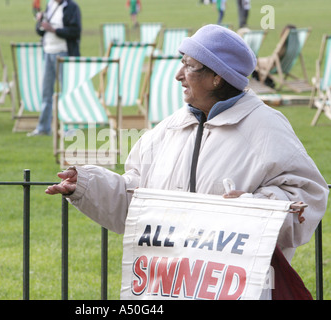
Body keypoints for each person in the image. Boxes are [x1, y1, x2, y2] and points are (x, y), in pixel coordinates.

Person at [45, 25, 329, 299]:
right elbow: (137, 202)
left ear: (217, 77)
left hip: (236, 290)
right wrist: (86, 185)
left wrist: (253, 207)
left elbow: (306, 196)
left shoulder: (266, 128)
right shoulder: (167, 130)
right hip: (169, 287)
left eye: (189, 66)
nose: (178, 75)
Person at [28, 0, 81, 137]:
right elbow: (40, 32)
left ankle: (69, 129)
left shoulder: (72, 7)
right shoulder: (50, 5)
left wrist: (54, 30)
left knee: (67, 92)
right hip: (48, 52)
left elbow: (75, 31)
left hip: (65, 53)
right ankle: (43, 128)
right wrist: (40, 22)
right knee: (46, 93)